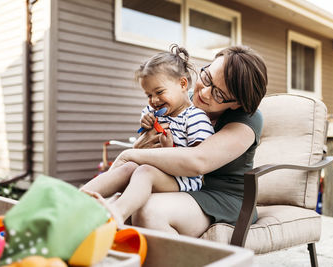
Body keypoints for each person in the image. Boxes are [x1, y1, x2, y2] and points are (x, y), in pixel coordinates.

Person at [109, 45, 268, 237]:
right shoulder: (183, 101)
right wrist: (142, 144)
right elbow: (152, 141)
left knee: (149, 212)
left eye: (219, 94)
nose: (204, 93)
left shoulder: (248, 119)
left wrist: (131, 153)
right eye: (207, 78)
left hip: (224, 197)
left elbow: (198, 161)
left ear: (237, 103)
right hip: (176, 181)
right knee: (118, 202)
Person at [81, 44, 214, 227]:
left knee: (144, 171)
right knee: (128, 168)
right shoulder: (155, 112)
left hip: (183, 180)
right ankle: (77, 199)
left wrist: (170, 149)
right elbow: (144, 129)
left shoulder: (195, 117)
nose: (154, 101)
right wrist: (144, 123)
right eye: (148, 95)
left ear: (182, 84)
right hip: (156, 170)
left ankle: (117, 212)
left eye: (159, 92)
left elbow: (198, 159)